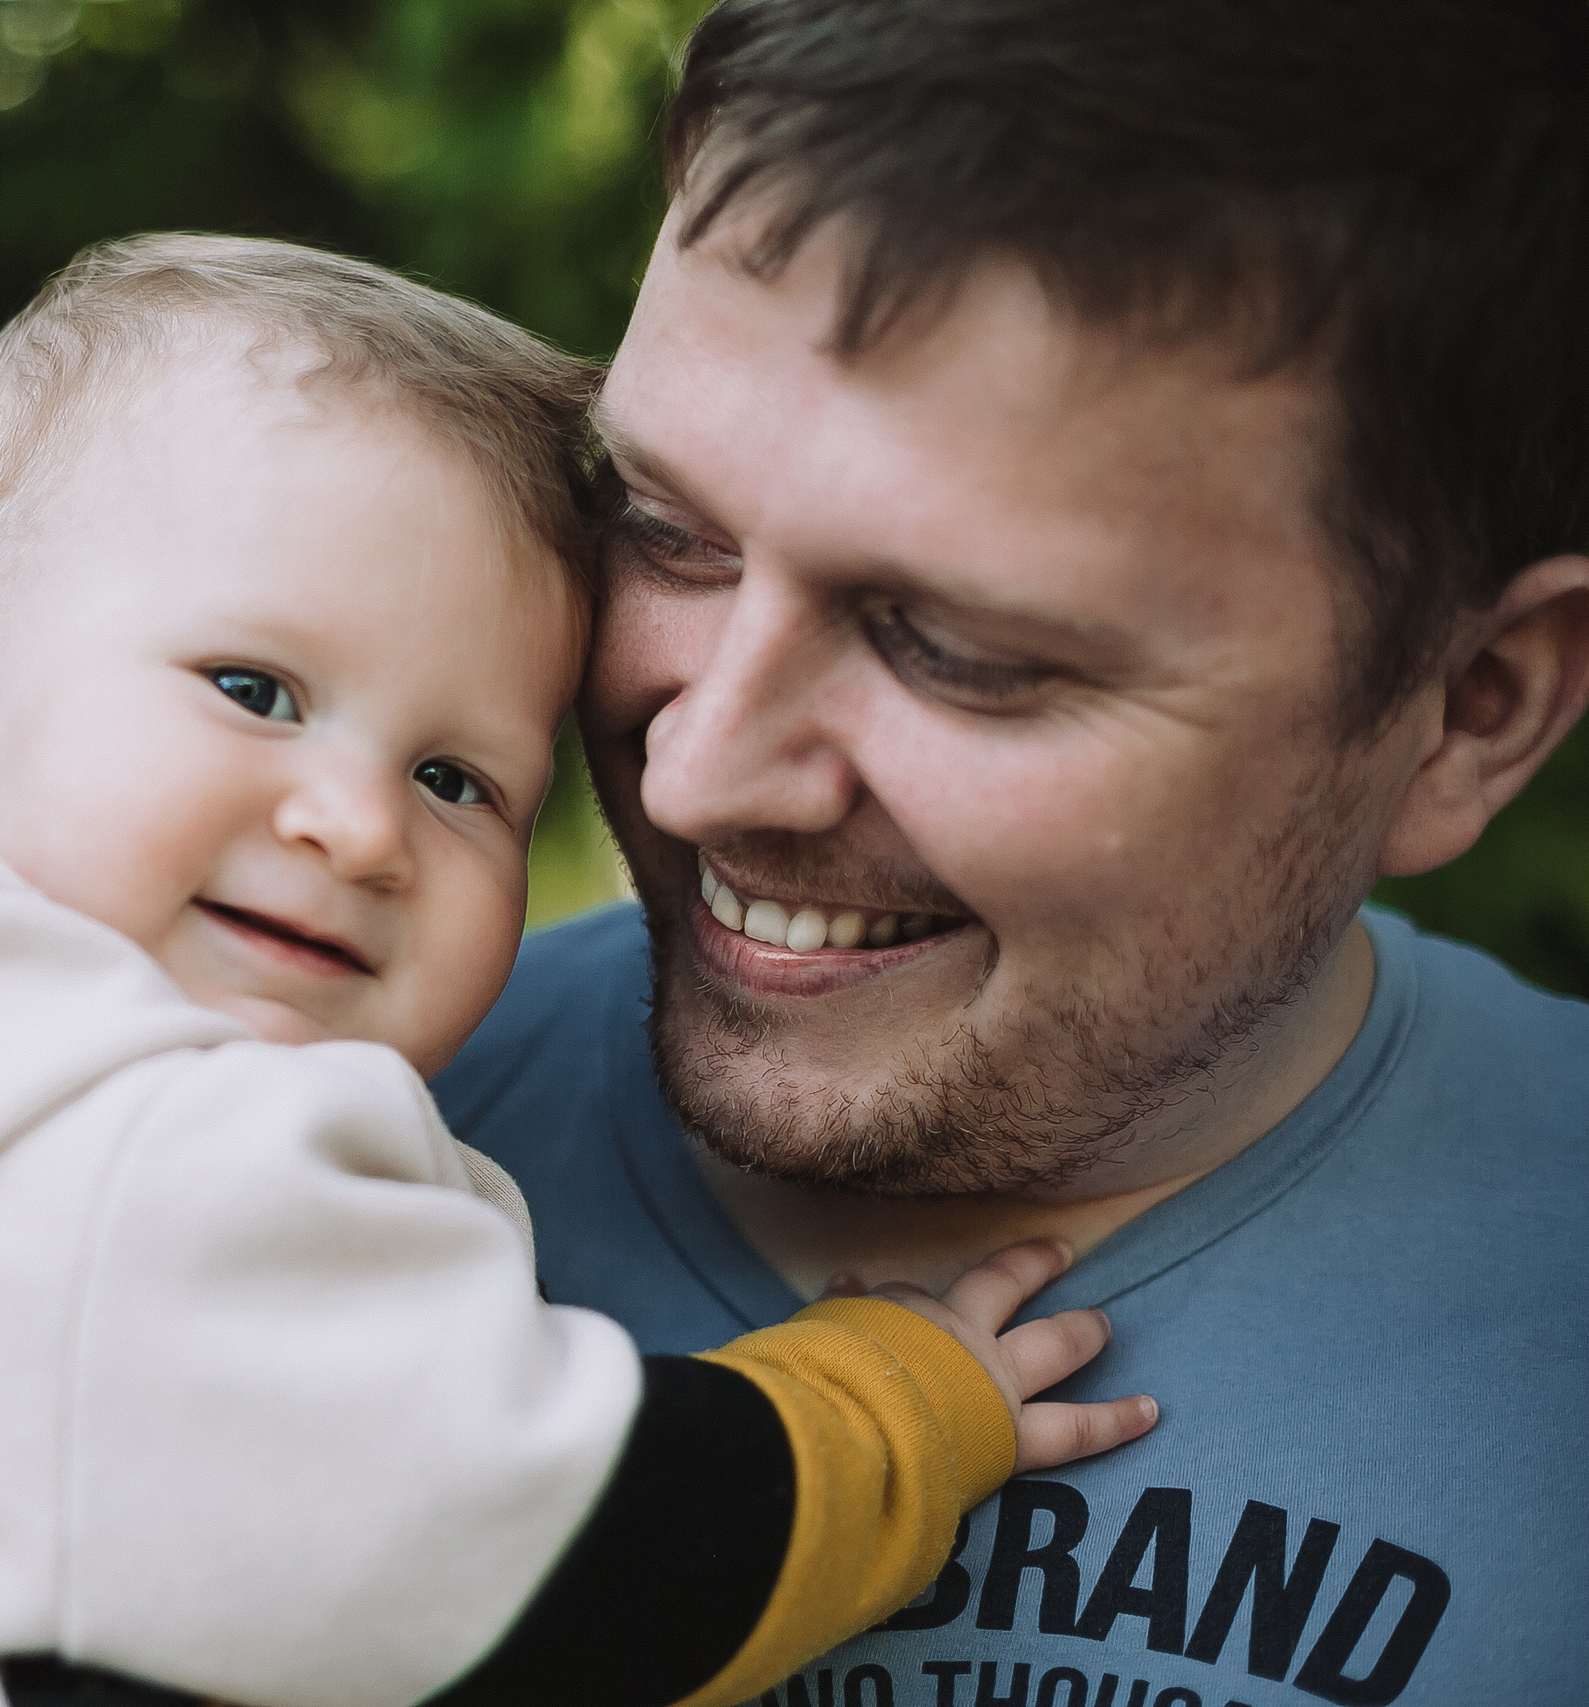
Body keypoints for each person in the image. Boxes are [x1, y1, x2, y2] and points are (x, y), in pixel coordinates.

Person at [0, 236, 1153, 1707]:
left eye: (457, 781)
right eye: (254, 690)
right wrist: (899, 1396)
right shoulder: (138, 1159)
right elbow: (571, 1563)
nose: (361, 826)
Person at [436, 4, 1589, 1704]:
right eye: (666, 532)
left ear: (1471, 710)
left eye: (960, 649)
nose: (694, 774)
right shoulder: (281, 1136)